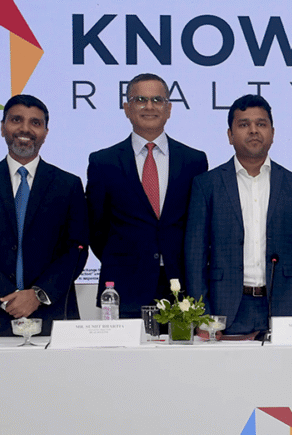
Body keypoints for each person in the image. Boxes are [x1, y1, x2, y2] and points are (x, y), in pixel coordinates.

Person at [0, 95, 89, 336]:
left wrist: (37, 295)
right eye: (16, 120)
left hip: (52, 315)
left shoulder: (68, 185)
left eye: (35, 123)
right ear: (3, 127)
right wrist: (7, 297)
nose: (25, 129)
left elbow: (76, 249)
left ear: (45, 132)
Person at [184, 95, 292, 338]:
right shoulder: (207, 185)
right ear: (230, 135)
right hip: (224, 309)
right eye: (244, 124)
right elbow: (195, 256)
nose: (253, 130)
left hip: (283, 307)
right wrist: (201, 315)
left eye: (261, 124)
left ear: (272, 133)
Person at [86, 73, 208, 317]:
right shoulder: (103, 162)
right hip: (124, 287)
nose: (149, 106)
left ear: (169, 109)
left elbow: (198, 225)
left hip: (181, 288)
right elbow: (96, 228)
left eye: (157, 100)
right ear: (127, 108)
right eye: (140, 99)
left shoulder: (194, 161)